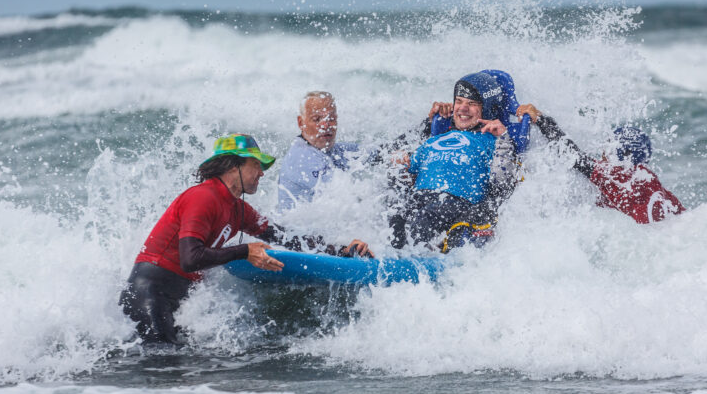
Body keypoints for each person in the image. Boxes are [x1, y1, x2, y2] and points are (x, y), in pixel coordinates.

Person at [120, 133, 373, 345]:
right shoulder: (202, 198)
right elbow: (189, 258)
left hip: (177, 296)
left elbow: (284, 237)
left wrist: (342, 250)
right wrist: (244, 251)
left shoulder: (237, 208)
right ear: (234, 166)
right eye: (256, 165)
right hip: (150, 292)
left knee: (180, 365)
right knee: (161, 367)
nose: (261, 173)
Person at [389, 71, 522, 252]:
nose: (462, 108)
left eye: (472, 104)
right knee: (395, 213)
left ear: (487, 108)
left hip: (459, 202)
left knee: (424, 218)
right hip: (422, 196)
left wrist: (503, 139)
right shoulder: (434, 140)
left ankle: (414, 258)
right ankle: (389, 256)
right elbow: (408, 176)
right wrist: (400, 164)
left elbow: (502, 184)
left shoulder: (493, 141)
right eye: (458, 101)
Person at [517, 105, 686, 224]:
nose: (602, 155)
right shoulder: (650, 182)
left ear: (618, 154)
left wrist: (540, 119)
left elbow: (572, 156)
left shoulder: (620, 178)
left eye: (606, 150)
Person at [277, 91, 361, 212]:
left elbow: (380, 152)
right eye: (317, 119)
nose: (325, 125)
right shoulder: (302, 158)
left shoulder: (333, 150)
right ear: (301, 123)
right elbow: (348, 199)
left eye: (331, 118)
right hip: (295, 229)